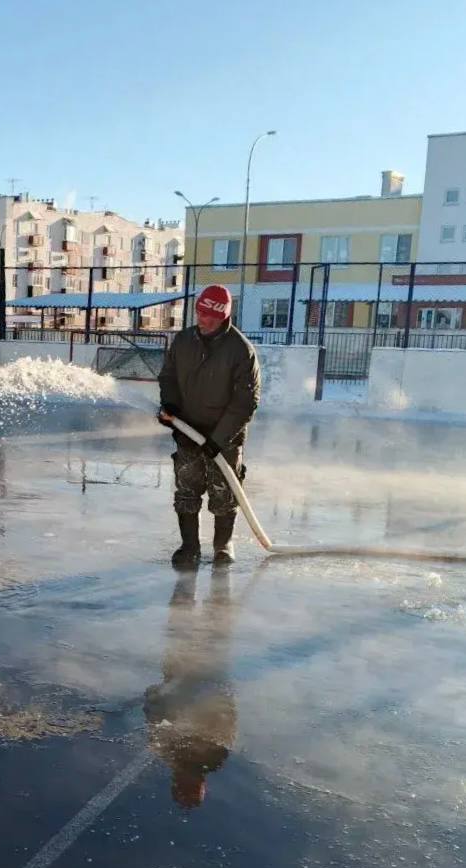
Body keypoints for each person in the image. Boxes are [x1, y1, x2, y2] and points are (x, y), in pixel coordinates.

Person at [157, 284, 261, 566]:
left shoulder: (240, 351)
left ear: (224, 317)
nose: (203, 321)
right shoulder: (183, 341)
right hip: (188, 430)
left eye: (210, 317)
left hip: (224, 437)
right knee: (187, 489)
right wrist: (171, 408)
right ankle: (189, 546)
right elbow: (168, 377)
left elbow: (245, 401)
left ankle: (222, 546)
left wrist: (219, 438)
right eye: (200, 314)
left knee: (224, 492)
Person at [144, 570, 237, 811]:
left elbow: (155, 719)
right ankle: (200, 584)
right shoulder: (213, 758)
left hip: (191, 677)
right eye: (190, 788)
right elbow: (227, 719)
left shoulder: (169, 755)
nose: (187, 782)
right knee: (202, 627)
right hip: (200, 677)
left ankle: (207, 583)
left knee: (184, 627)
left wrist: (155, 699)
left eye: (184, 788)